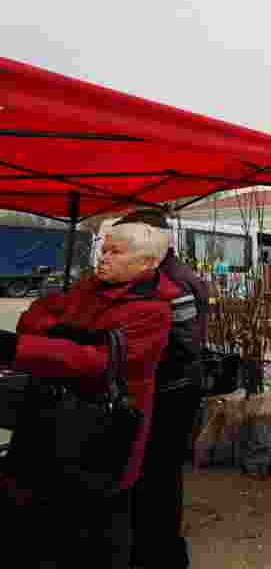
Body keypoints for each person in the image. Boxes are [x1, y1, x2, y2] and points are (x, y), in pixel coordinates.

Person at [0, 220, 179, 568]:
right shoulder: (89, 286)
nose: (103, 257)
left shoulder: (153, 310)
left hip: (101, 430)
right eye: (104, 249)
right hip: (51, 414)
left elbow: (97, 362)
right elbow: (35, 314)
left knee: (90, 524)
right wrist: (68, 335)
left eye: (116, 252)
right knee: (32, 509)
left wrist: (39, 342)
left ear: (148, 263)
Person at [113, 210, 208, 569]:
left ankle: (161, 552)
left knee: (159, 473)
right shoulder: (166, 273)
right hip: (172, 386)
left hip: (172, 390)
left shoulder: (173, 281)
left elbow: (183, 346)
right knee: (158, 473)